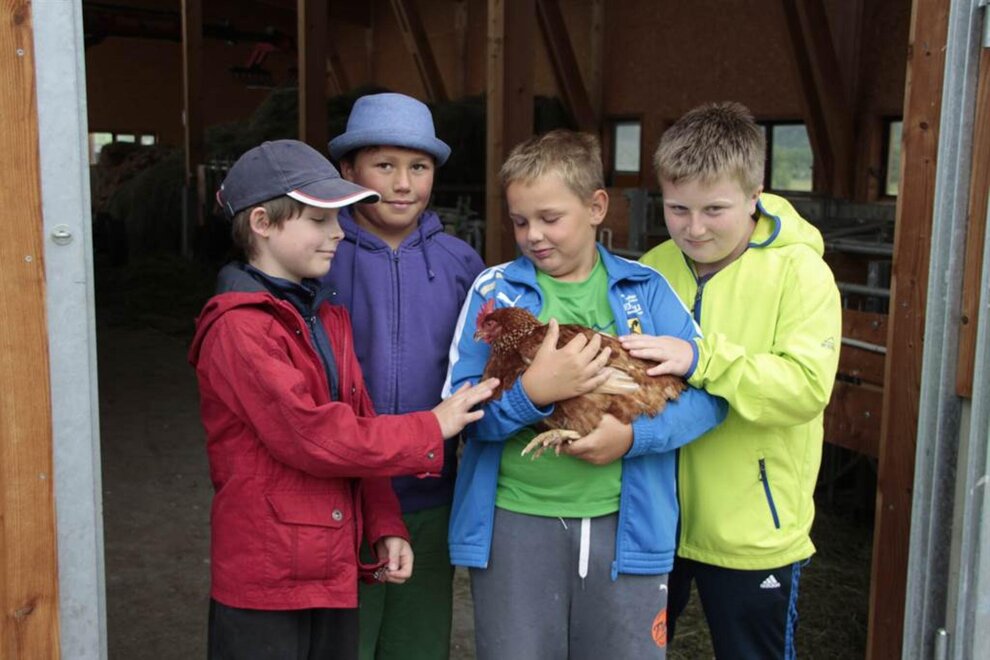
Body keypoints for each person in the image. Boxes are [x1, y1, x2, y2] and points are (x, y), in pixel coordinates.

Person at [188, 139, 497, 660]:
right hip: (267, 576)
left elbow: (358, 420)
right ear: (262, 223)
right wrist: (429, 427)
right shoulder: (239, 330)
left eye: (338, 218)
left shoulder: (326, 315)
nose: (338, 232)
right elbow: (312, 435)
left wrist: (384, 523)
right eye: (320, 220)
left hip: (327, 565)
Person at [444, 129, 727, 660]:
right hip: (516, 517)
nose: (533, 235)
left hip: (626, 525)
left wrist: (633, 438)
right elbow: (461, 415)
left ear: (596, 207)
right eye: (520, 221)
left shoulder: (645, 289)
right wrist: (532, 394)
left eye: (550, 218)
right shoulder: (495, 290)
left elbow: (711, 397)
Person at [620, 102, 842, 659]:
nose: (694, 229)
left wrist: (702, 359)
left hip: (753, 532)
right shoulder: (651, 269)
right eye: (678, 209)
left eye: (715, 209)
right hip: (657, 521)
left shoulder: (800, 273)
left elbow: (805, 388)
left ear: (754, 195)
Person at [322, 92, 486, 660]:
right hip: (339, 492)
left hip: (431, 490)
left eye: (418, 167)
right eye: (384, 165)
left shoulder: (463, 264)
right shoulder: (322, 254)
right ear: (348, 171)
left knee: (418, 641)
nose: (402, 184)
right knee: (345, 640)